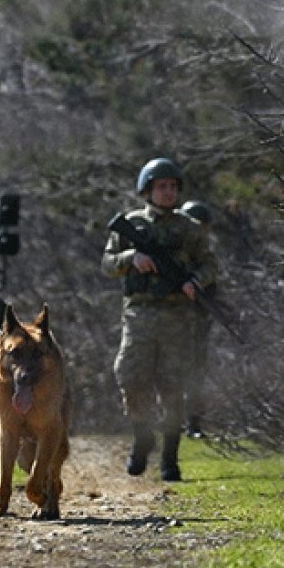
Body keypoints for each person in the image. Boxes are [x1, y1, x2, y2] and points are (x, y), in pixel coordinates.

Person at [101, 158, 217, 482]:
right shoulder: (132, 223)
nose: (167, 192)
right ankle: (142, 436)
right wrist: (131, 259)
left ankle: (169, 458)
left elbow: (210, 265)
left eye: (172, 187)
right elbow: (107, 263)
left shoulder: (189, 229)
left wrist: (196, 282)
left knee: (172, 387)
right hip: (139, 313)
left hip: (178, 316)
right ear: (148, 190)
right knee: (130, 376)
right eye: (161, 186)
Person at [177, 200, 215, 439]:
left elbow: (213, 286)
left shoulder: (204, 258)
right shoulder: (175, 254)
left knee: (195, 373)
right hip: (171, 321)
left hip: (197, 322)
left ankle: (193, 422)